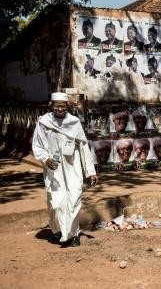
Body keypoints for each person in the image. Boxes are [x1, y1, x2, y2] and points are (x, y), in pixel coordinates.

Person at [32, 92, 98, 247]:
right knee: (56, 204)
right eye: (57, 106)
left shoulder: (74, 122)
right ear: (51, 105)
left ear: (67, 106)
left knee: (74, 200)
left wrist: (90, 172)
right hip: (53, 169)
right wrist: (45, 159)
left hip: (72, 167)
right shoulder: (44, 122)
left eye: (63, 106)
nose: (60, 109)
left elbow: (83, 147)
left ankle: (74, 234)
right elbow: (38, 145)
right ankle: (57, 230)